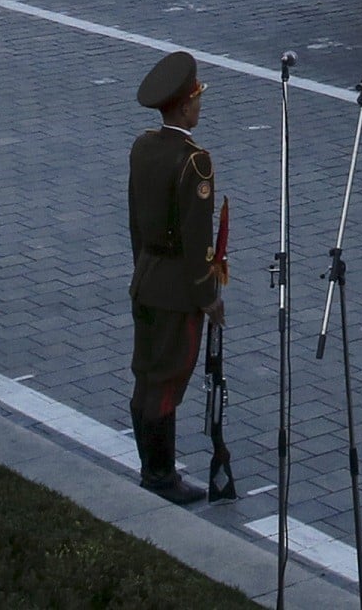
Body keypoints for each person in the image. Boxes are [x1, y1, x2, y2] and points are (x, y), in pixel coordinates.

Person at [127, 49, 224, 505]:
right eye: (198, 98)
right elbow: (196, 239)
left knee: (146, 377)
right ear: (184, 106)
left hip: (146, 279)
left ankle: (151, 466)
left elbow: (135, 224)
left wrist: (143, 270)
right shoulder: (195, 161)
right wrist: (209, 297)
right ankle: (161, 476)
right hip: (176, 293)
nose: (200, 105)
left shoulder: (143, 147)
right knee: (167, 383)